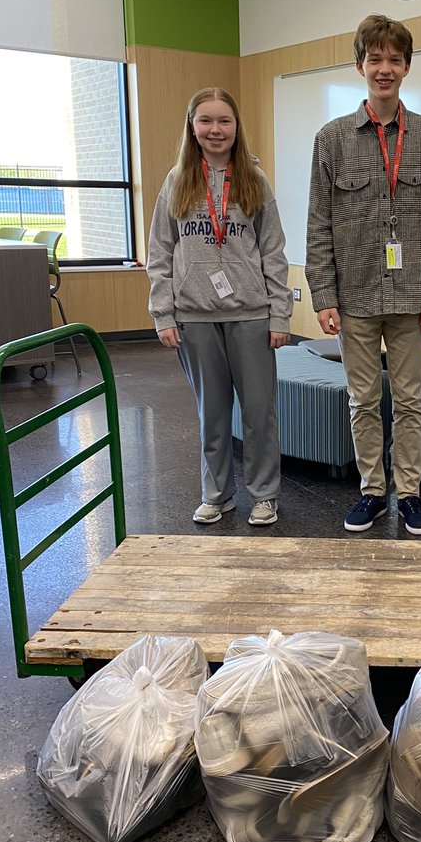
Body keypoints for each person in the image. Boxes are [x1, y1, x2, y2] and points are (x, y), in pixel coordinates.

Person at [306, 15, 421, 536]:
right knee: (363, 400)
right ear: (359, 66)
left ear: (407, 67)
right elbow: (318, 223)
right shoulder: (332, 140)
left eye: (395, 59)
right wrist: (323, 295)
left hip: (412, 294)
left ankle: (409, 493)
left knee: (411, 400)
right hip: (355, 295)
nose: (385, 68)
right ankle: (372, 490)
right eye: (376, 59)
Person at [147, 87, 292, 526]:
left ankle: (264, 494)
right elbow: (160, 252)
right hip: (195, 318)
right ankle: (217, 494)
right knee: (211, 415)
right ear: (192, 126)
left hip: (251, 314)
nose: (215, 129)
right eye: (206, 120)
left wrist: (280, 313)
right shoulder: (176, 181)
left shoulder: (253, 180)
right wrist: (163, 313)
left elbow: (274, 251)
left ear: (236, 127)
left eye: (224, 120)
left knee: (258, 414)